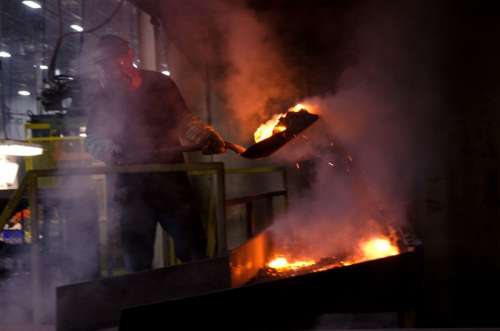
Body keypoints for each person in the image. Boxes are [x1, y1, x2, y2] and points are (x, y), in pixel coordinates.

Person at [85, 34, 225, 272]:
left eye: (116, 60)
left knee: (194, 252)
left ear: (129, 55)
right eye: (106, 64)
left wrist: (203, 134)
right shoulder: (102, 97)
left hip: (171, 180)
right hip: (130, 188)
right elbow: (92, 140)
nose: (112, 69)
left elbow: (184, 120)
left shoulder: (160, 84)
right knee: (137, 264)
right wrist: (107, 150)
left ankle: (202, 298)